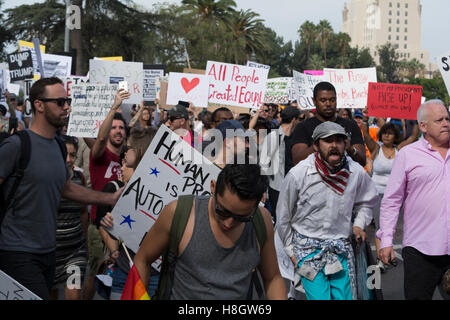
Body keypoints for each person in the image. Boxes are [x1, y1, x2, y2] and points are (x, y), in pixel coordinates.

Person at [0, 77, 123, 300]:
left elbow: (67, 189)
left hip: (50, 251)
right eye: (59, 102)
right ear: (39, 105)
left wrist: (110, 198)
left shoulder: (58, 145)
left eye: (67, 101)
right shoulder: (17, 145)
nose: (67, 106)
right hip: (17, 251)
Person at [134, 164, 287, 299]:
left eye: (242, 218)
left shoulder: (262, 221)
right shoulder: (180, 214)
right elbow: (143, 259)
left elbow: (272, 278)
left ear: (257, 203)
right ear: (213, 187)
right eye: (223, 211)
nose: (229, 223)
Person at [277, 121, 378, 300]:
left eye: (339, 141)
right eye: (327, 141)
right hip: (306, 254)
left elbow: (367, 201)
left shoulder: (355, 172)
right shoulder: (299, 174)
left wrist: (358, 225)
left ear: (345, 144)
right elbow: (284, 217)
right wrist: (293, 253)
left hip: (341, 251)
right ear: (316, 145)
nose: (334, 146)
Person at [377, 100, 450, 300]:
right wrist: (386, 240)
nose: (446, 123)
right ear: (424, 126)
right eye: (439, 120)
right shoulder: (408, 155)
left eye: (447, 119)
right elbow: (392, 200)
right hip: (420, 250)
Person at [98, 127, 159, 300]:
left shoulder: (163, 192)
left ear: (139, 152)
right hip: (124, 271)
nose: (125, 152)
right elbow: (118, 234)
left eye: (129, 147)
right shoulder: (124, 189)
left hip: (154, 275)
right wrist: (111, 225)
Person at [83, 88, 130, 300]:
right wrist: (114, 107)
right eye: (114, 128)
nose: (118, 131)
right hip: (99, 224)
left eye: (122, 128)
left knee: (116, 278)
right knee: (96, 275)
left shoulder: (129, 160)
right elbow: (99, 140)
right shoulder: (99, 155)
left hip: (123, 227)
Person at [290, 82, 366, 167]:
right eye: (323, 100)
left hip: (345, 178)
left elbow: (362, 161)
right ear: (314, 101)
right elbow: (297, 161)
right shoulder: (303, 127)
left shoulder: (351, 125)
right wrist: (319, 145)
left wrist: (350, 149)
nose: (328, 104)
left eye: (332, 100)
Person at [50, 135, 88, 300]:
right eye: (65, 154)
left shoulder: (80, 178)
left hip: (75, 251)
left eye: (73, 155)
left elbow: (83, 212)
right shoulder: (48, 179)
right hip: (50, 251)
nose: (69, 159)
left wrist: (84, 242)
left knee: (73, 294)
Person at [259, 106, 301, 223]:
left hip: (294, 186)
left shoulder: (295, 138)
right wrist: (263, 189)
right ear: (294, 120)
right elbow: (263, 164)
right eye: (298, 119)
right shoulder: (274, 136)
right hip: (278, 187)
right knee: (281, 221)